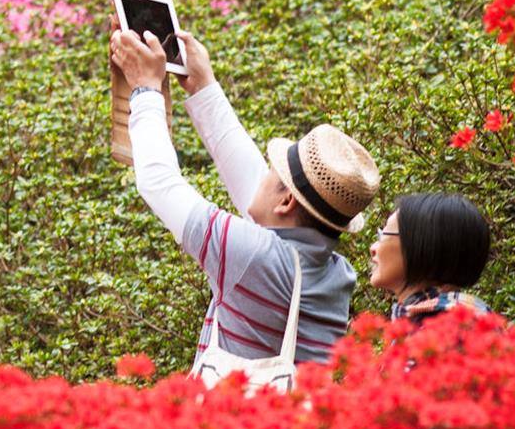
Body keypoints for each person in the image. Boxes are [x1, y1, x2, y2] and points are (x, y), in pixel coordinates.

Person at [112, 28, 380, 365]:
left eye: (273, 170)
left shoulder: (256, 258)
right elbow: (254, 187)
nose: (263, 173)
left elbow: (158, 182)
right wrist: (202, 86)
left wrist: (145, 90)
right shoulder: (335, 272)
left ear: (286, 203)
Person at [368, 193, 494, 324]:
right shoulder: (466, 319)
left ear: (422, 244)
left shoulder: (442, 329)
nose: (373, 248)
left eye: (383, 235)